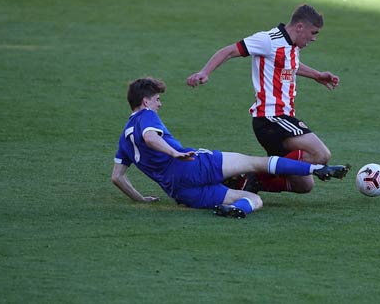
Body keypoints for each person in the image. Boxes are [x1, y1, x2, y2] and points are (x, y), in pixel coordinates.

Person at [111, 77, 349, 218]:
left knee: (253, 200)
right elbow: (151, 137)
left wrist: (141, 199)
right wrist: (175, 153)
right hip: (192, 165)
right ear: (145, 101)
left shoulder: (124, 137)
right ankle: (315, 170)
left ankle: (239, 210)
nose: (159, 103)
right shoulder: (146, 117)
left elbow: (117, 177)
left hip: (179, 191)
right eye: (156, 99)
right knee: (254, 162)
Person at [186, 4, 339, 194]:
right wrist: (204, 72)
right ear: (300, 26)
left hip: (281, 119)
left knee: (304, 186)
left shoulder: (291, 46)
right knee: (321, 154)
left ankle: (251, 181)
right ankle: (254, 171)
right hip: (271, 118)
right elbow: (229, 50)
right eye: (313, 32)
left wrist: (317, 75)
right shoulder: (268, 40)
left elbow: (290, 65)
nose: (314, 38)